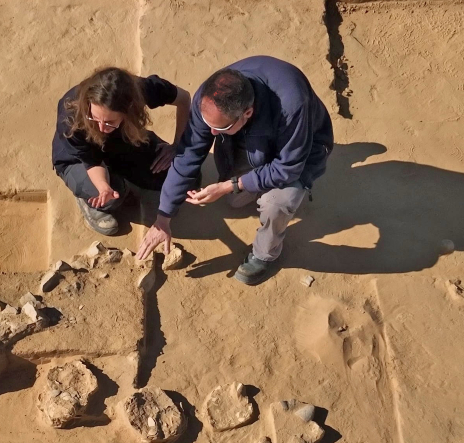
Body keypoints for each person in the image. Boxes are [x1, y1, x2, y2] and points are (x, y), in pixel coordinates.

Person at [136, 56, 334, 285]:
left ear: (247, 113)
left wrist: (232, 184)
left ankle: (265, 255)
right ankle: (249, 175)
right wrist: (163, 217)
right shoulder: (209, 99)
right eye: (208, 124)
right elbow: (188, 154)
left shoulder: (292, 104)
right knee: (235, 201)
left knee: (275, 203)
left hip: (300, 153)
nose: (210, 133)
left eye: (219, 128)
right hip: (250, 141)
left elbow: (287, 167)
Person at [53, 67, 191, 235]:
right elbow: (91, 162)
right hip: (78, 159)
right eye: (94, 118)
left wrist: (177, 145)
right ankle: (87, 199)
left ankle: (119, 175)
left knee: (181, 172)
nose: (101, 128)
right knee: (113, 196)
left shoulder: (142, 89)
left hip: (121, 143)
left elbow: (184, 98)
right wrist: (104, 188)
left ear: (129, 109)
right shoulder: (70, 116)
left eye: (109, 121)